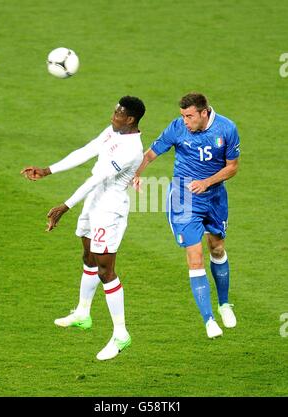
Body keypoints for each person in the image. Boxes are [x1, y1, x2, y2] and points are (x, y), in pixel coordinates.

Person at [21, 96, 145, 360]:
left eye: (119, 113)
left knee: (105, 269)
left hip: (110, 208)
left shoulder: (132, 149)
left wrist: (64, 206)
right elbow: (87, 150)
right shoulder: (113, 131)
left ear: (131, 119)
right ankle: (83, 313)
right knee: (87, 256)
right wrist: (47, 170)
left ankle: (121, 334)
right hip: (94, 200)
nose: (113, 115)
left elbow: (97, 177)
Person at [133, 92, 240, 339]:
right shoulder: (177, 128)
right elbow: (151, 153)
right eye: (182, 115)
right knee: (195, 257)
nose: (185, 121)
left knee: (217, 248)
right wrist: (136, 172)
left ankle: (224, 304)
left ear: (204, 113)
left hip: (214, 197)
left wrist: (207, 182)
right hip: (183, 199)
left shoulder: (226, 128)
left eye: (189, 116)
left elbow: (232, 167)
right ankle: (209, 320)